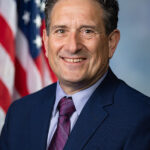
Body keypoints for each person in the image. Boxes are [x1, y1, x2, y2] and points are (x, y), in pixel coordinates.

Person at [0, 0, 150, 149]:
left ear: (111, 42)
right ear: (46, 41)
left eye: (87, 31)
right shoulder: (19, 113)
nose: (73, 47)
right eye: (61, 31)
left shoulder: (142, 118)